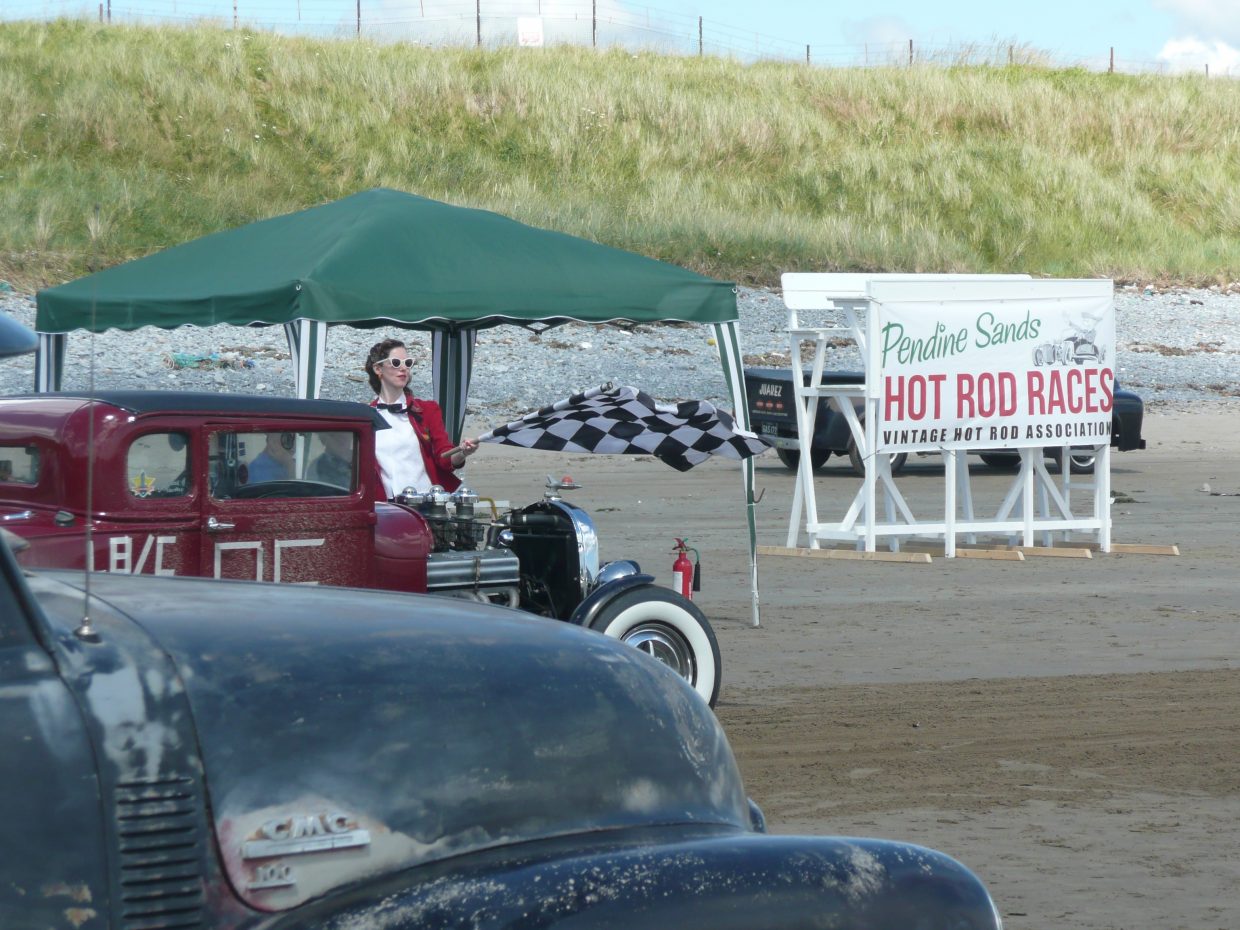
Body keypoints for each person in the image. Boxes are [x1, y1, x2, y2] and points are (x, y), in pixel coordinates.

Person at [365, 338, 478, 500]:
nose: (403, 368)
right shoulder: (366, 417)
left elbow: (444, 456)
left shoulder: (428, 410)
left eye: (408, 363)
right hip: (385, 506)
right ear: (378, 369)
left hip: (426, 502)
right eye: (396, 363)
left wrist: (462, 452)